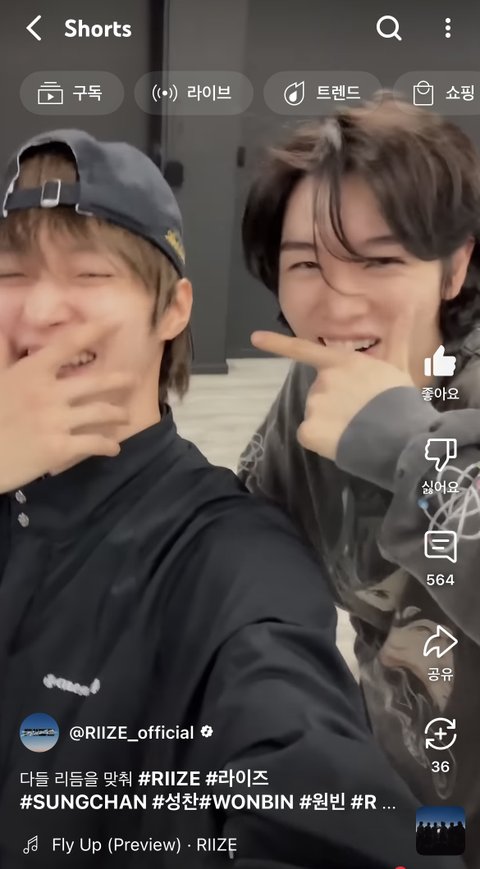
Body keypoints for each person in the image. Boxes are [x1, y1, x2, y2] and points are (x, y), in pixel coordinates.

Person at [0, 129, 454, 869]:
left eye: (90, 273)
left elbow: (304, 774)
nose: (41, 310)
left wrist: (407, 449)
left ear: (173, 309)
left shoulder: (227, 560)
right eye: (10, 273)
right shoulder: (302, 415)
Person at [238, 91, 480, 867]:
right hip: (404, 801)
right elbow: (252, 536)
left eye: (379, 260)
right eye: (306, 263)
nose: (338, 302)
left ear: (455, 265)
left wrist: (406, 448)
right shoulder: (319, 387)